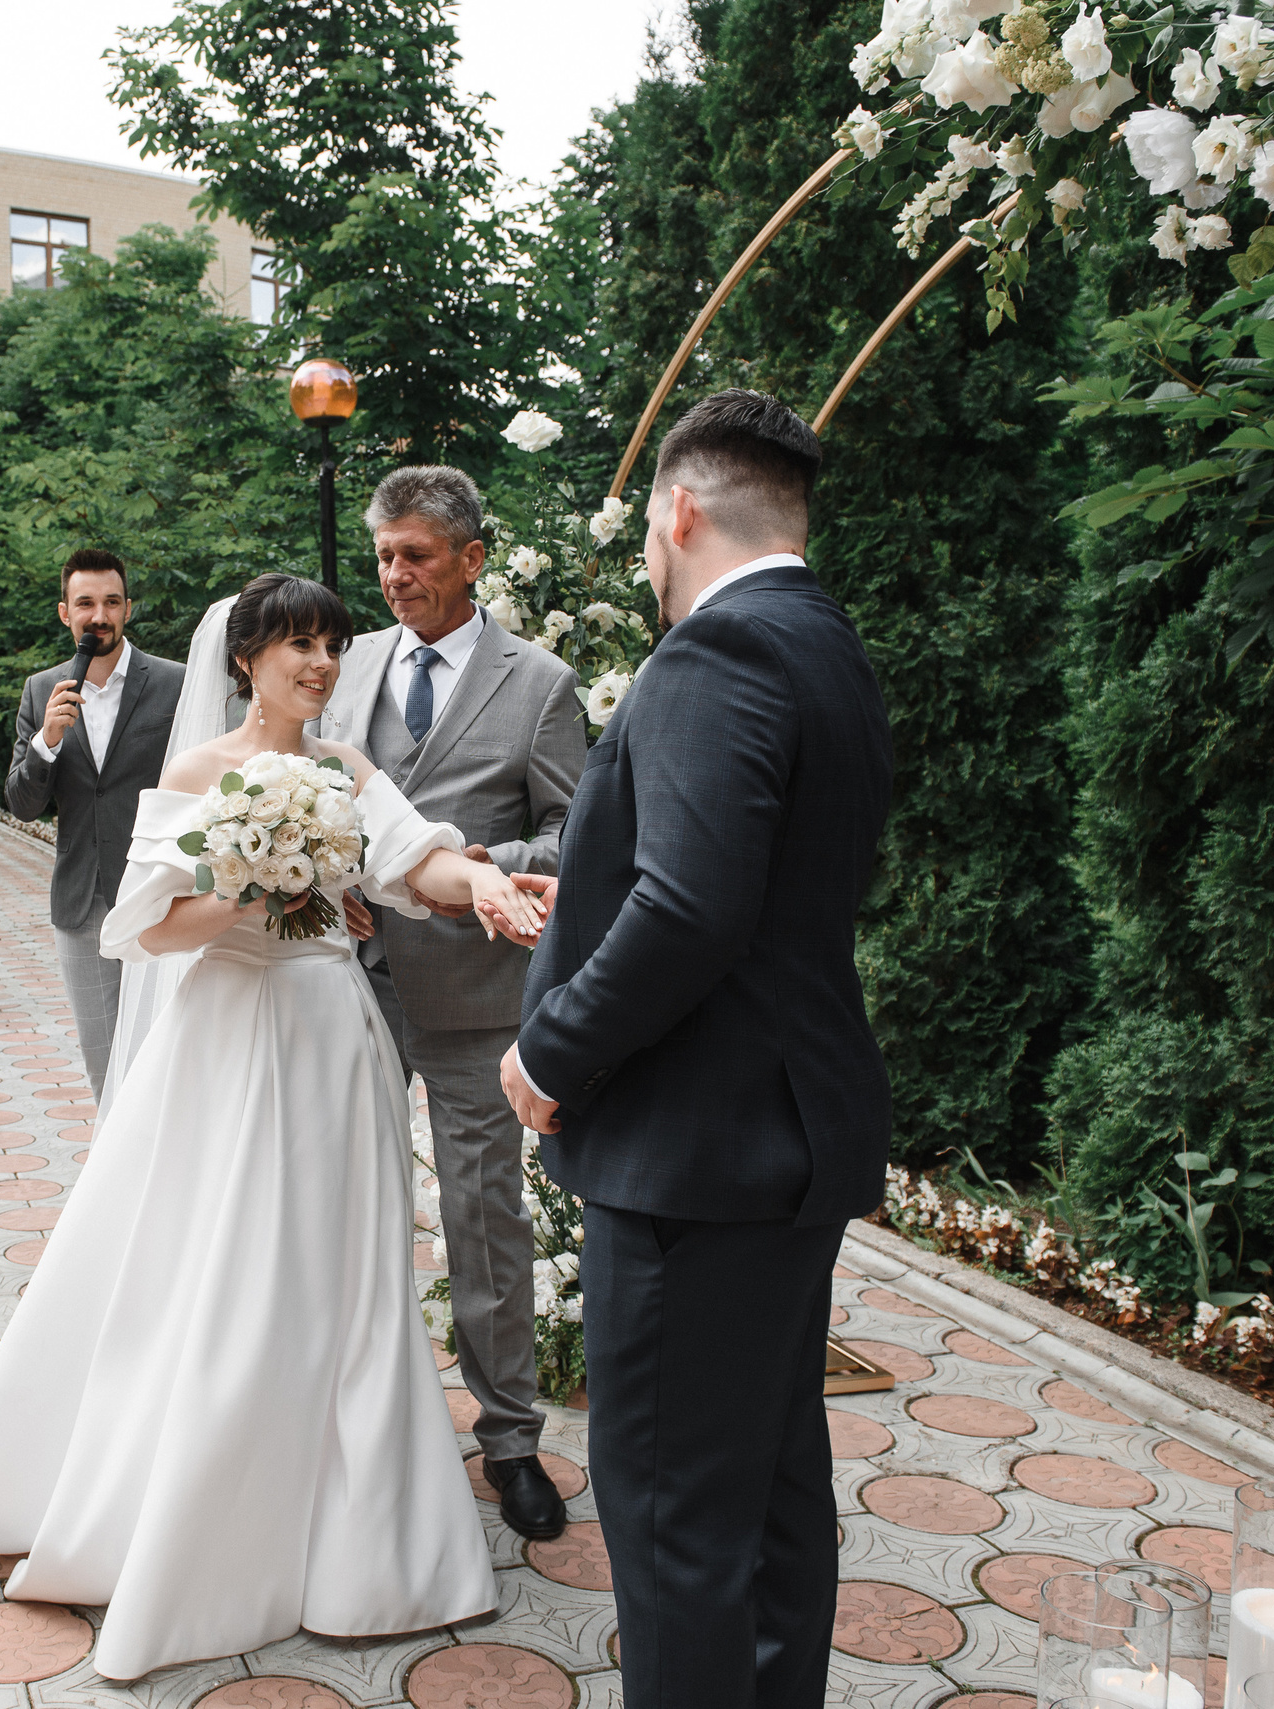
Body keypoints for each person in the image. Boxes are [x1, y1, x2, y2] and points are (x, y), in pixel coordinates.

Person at [0, 575, 551, 1681]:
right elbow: (145, 929)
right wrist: (261, 878)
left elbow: (408, 857)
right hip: (230, 1043)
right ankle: (217, 1507)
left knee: (348, 1268)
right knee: (239, 1267)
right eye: (296, 643)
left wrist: (476, 883)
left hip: (335, 1038)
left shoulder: (345, 771)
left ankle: (364, 1529)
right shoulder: (196, 773)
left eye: (331, 645)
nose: (320, 663)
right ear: (244, 658)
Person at [505, 390, 894, 1709]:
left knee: (674, 1521)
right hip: (787, 1146)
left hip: (695, 1163)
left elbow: (693, 903)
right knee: (776, 1494)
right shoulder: (827, 643)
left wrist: (549, 1052)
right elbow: (748, 888)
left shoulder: (715, 654)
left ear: (677, 509)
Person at [317, 465, 589, 1543]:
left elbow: (581, 842)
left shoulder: (542, 684)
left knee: (484, 1224)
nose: (392, 577)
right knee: (339, 1203)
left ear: (471, 559)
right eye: (383, 556)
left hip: (477, 1001)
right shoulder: (349, 669)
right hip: (350, 991)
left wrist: (486, 859)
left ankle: (510, 1438)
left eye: (414, 556)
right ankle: (353, 1422)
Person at [5, 548, 186, 1095]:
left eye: (111, 602)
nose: (98, 616)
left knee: (166, 1054)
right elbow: (21, 803)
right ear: (66, 613)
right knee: (104, 1063)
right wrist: (47, 744)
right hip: (83, 903)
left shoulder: (176, 684)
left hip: (164, 897)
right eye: (85, 603)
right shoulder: (42, 690)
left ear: (128, 608)